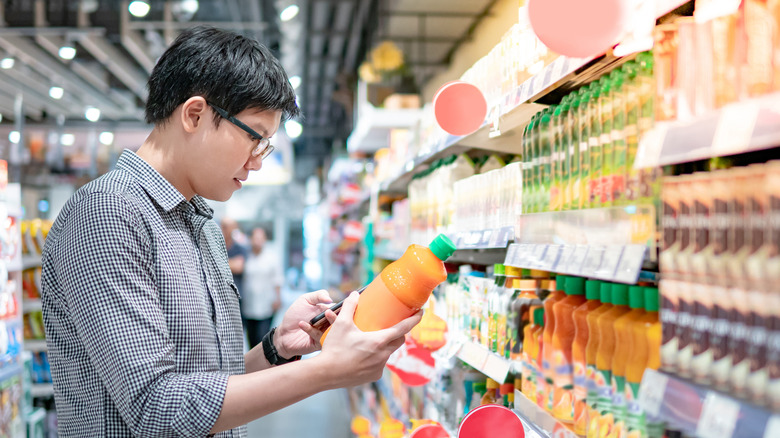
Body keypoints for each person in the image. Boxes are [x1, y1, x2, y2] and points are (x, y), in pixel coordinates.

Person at [40, 26, 421, 437]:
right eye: (255, 137)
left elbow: (207, 380)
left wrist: (275, 349)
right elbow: (157, 406)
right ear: (195, 114)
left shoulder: (198, 220)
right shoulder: (107, 214)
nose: (258, 161)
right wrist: (328, 372)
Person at [242, 227, 282, 348]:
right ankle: (254, 366)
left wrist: (278, 299)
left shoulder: (271, 257)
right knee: (251, 340)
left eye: (260, 238)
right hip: (248, 306)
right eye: (255, 238)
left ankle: (262, 366)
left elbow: (277, 280)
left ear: (265, 239)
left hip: (266, 305)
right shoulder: (246, 256)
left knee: (262, 339)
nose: (258, 241)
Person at [220, 217, 250, 295]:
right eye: (223, 226)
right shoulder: (216, 247)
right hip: (220, 294)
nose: (225, 229)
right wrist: (232, 262)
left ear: (234, 228)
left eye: (227, 227)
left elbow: (239, 267)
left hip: (236, 294)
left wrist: (218, 263)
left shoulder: (240, 248)